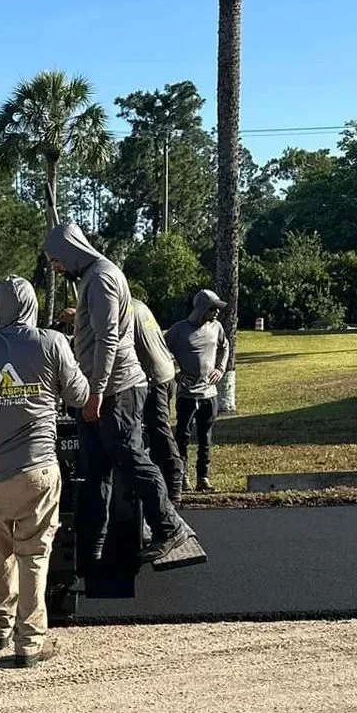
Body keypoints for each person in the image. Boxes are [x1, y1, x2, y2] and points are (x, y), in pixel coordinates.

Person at [41, 222, 202, 573]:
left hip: (116, 391)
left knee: (130, 457)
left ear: (69, 251)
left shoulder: (100, 278)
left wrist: (96, 392)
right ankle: (91, 551)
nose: (55, 268)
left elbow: (107, 340)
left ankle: (170, 528)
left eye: (55, 261)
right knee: (94, 470)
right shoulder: (92, 278)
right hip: (98, 391)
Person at [0, 276, 89, 666]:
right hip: (36, 468)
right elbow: (79, 395)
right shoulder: (51, 343)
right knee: (33, 554)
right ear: (31, 307)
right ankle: (29, 644)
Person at [165, 289, 230, 491]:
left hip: (209, 394)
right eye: (213, 309)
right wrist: (176, 371)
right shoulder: (178, 330)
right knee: (182, 437)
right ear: (201, 308)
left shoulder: (216, 327)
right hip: (186, 394)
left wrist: (220, 368)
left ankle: (203, 477)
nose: (216, 313)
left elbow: (225, 347)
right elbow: (161, 352)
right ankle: (183, 478)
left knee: (205, 438)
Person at [131, 296, 183, 502]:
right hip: (165, 372)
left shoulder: (122, 310)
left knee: (158, 428)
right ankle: (163, 477)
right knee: (155, 429)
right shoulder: (138, 305)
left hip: (153, 377)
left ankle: (175, 479)